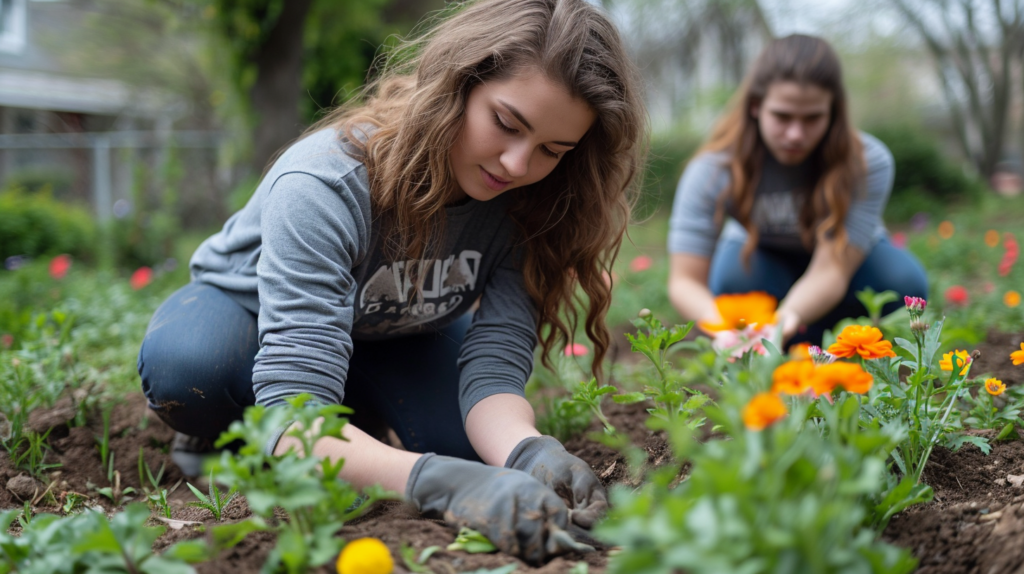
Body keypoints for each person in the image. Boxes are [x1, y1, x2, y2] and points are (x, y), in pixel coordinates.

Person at [137, 0, 646, 564]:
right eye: (506, 124)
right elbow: (295, 409)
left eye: (552, 150)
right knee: (192, 370)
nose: (517, 165)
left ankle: (355, 421)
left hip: (395, 329)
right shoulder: (327, 182)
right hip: (254, 320)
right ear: (456, 86)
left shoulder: (532, 205)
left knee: (465, 447)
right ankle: (220, 431)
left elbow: (495, 370)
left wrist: (529, 453)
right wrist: (439, 484)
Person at [667, 34, 928, 346]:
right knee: (733, 280)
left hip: (846, 267)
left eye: (812, 118)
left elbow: (832, 270)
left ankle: (834, 343)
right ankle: (792, 345)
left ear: (833, 112)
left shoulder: (867, 161)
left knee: (901, 281)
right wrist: (725, 330)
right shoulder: (714, 169)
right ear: (755, 106)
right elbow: (684, 281)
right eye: (782, 116)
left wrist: (783, 321)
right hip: (763, 260)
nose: (795, 134)